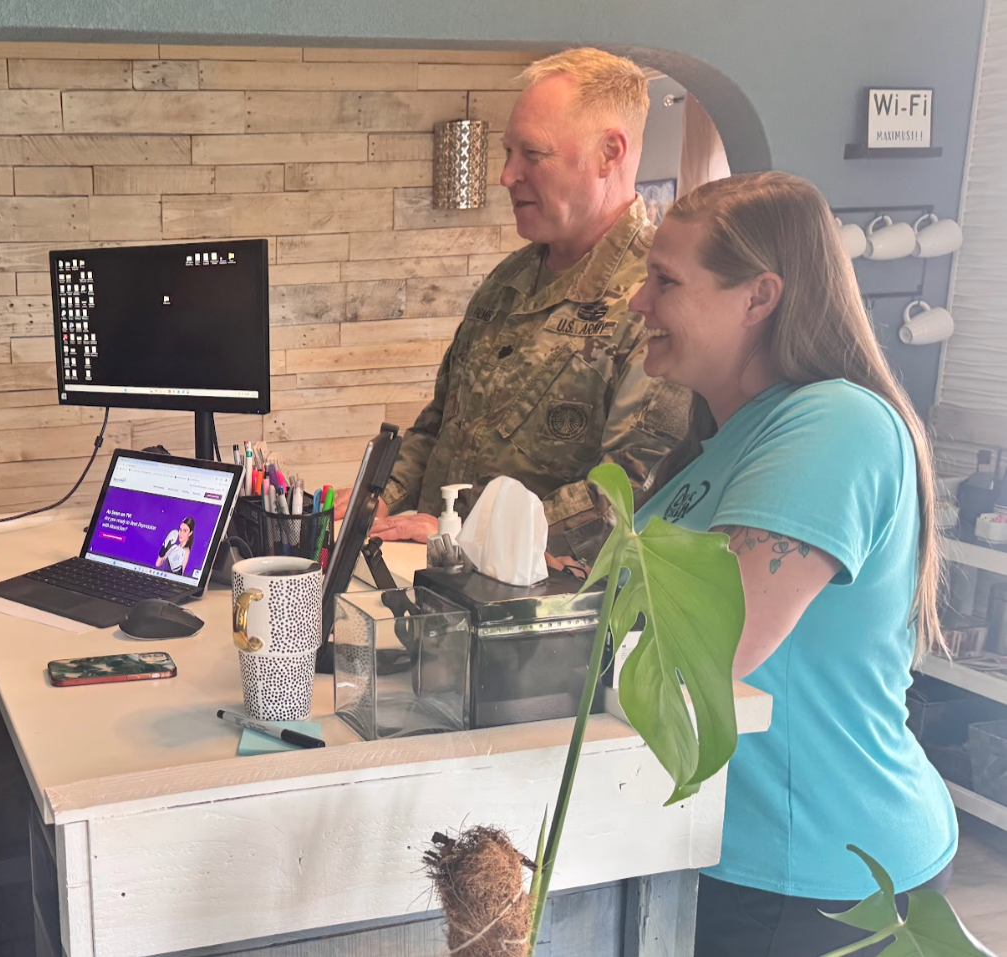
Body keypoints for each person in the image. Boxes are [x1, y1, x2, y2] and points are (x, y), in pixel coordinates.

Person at [629, 172, 956, 956]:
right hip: (727, 846)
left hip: (816, 868)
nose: (639, 301)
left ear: (758, 297)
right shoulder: (724, 439)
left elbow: (708, 652)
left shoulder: (830, 423)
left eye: (664, 281)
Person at [351, 48, 689, 565]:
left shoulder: (657, 300)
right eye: (508, 152)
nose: (507, 176)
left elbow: (627, 492)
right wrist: (374, 506)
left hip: (539, 616)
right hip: (431, 588)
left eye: (533, 154)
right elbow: (438, 423)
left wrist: (466, 537)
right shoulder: (507, 281)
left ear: (609, 153)